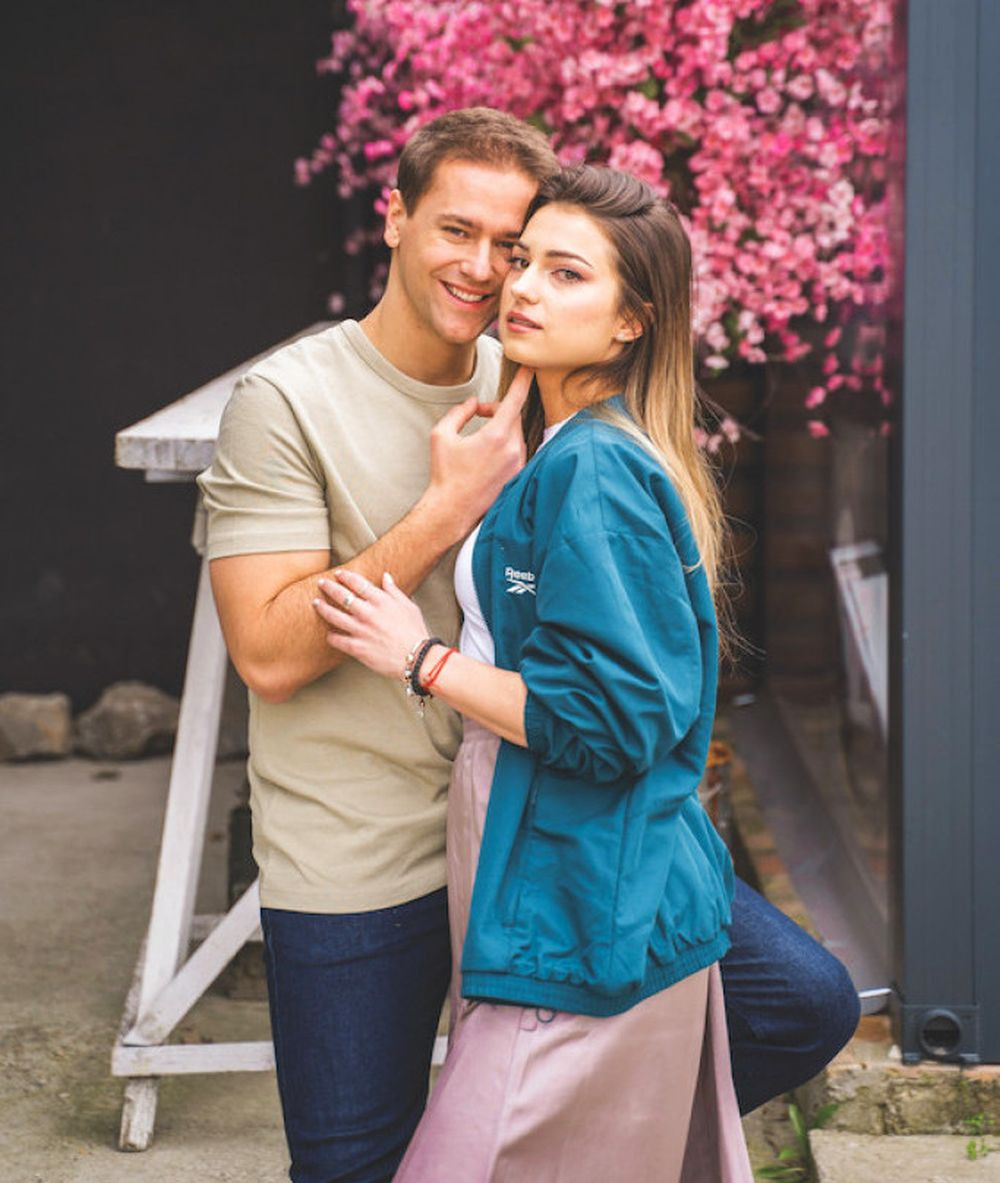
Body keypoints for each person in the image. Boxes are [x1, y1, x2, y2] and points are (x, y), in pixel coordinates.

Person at [198, 108, 858, 1183]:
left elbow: (618, 649)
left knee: (797, 998)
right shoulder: (286, 403)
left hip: (545, 825)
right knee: (354, 1166)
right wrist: (442, 511)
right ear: (395, 217)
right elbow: (267, 656)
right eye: (457, 232)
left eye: (516, 248)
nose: (492, 273)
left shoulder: (542, 370)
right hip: (364, 847)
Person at [313, 164, 753, 1182]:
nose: (521, 288)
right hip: (558, 859)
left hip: (578, 887)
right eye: (524, 262)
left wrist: (417, 656)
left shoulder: (595, 466)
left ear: (631, 322)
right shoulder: (567, 448)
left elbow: (608, 721)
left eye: (566, 274)